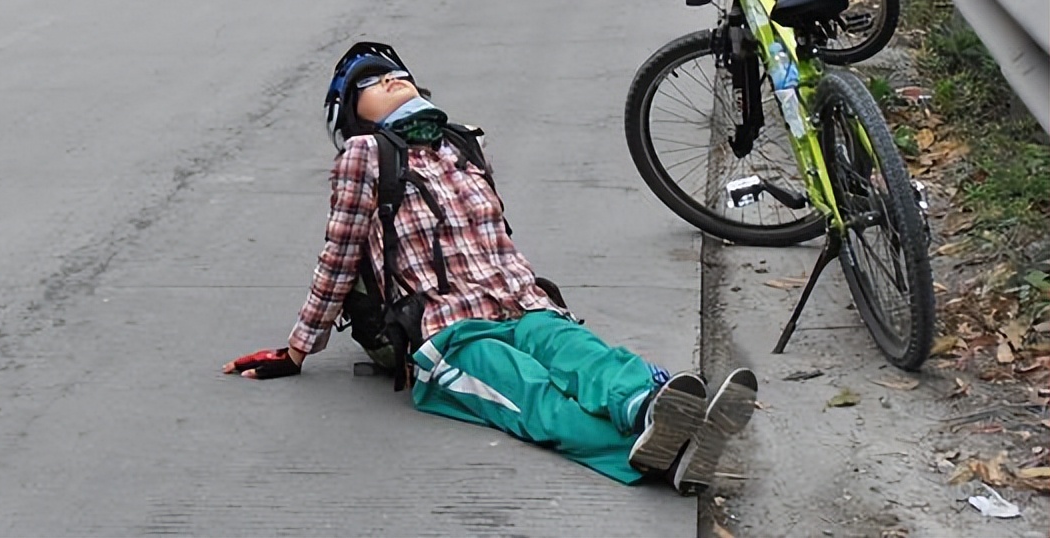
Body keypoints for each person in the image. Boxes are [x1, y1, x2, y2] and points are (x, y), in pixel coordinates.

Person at [223, 41, 757, 492]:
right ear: (351, 113)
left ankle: (650, 405)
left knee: (585, 354)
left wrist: (534, 307)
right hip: (449, 334)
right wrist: (297, 350)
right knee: (531, 394)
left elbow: (496, 235)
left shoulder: (465, 143)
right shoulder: (362, 156)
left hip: (521, 303)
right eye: (370, 80)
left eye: (394, 72)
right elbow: (338, 256)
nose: (388, 79)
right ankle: (669, 447)